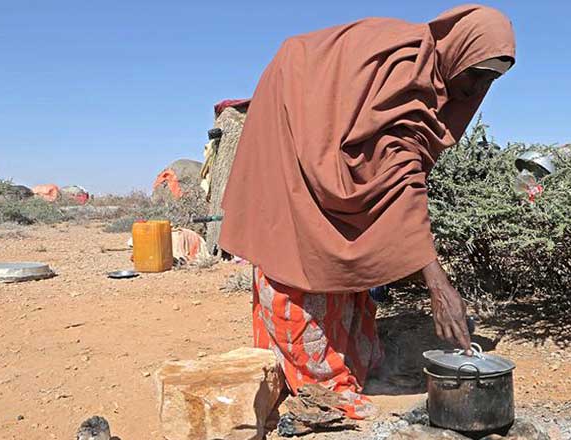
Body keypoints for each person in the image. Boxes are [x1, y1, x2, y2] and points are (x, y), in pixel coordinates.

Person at [219, 4, 516, 419]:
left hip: (325, 131)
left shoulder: (437, 79)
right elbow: (401, 173)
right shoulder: (405, 68)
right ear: (458, 50)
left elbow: (395, 171)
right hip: (293, 111)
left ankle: (346, 360)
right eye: (476, 73)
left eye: (491, 79)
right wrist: (438, 285)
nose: (477, 87)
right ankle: (319, 383)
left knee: (350, 235)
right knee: (298, 237)